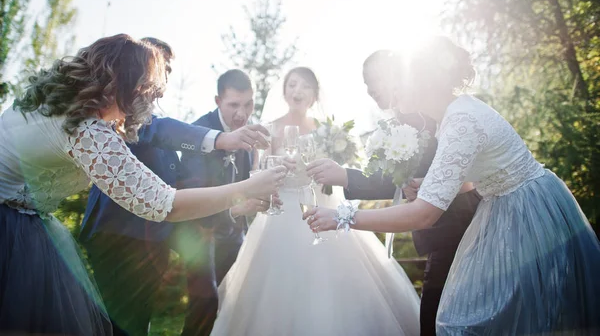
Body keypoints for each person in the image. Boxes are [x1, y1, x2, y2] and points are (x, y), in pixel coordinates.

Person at [305, 36, 600, 335]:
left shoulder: (460, 121)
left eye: (402, 81)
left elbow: (423, 215)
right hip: (506, 205)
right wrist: (430, 183)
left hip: (527, 215)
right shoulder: (453, 114)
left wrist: (342, 217)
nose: (395, 89)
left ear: (423, 83)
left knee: (484, 320)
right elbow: (478, 174)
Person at [0, 34, 285, 335]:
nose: (150, 101)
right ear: (124, 83)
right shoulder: (85, 129)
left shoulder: (58, 102)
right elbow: (163, 203)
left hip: (26, 222)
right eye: (147, 90)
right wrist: (248, 188)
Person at [80, 39, 271, 336]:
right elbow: (159, 131)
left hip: (155, 233)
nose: (163, 76)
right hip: (121, 229)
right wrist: (221, 141)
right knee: (126, 322)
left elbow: (174, 176)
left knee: (137, 320)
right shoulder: (128, 110)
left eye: (166, 68)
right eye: (158, 67)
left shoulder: (158, 117)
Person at [211, 67, 420, 336]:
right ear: (284, 90)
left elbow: (342, 173)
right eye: (293, 84)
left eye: (306, 86)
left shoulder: (328, 131)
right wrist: (275, 169)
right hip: (283, 215)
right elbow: (259, 174)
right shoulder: (270, 128)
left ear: (315, 95)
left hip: (325, 208)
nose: (298, 91)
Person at [307, 50, 481, 335]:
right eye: (365, 83)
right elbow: (398, 178)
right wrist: (345, 175)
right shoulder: (401, 120)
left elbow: (453, 170)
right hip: (440, 233)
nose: (369, 89)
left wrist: (344, 178)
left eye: (373, 80)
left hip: (458, 227)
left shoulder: (429, 115)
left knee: (437, 323)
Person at [177, 68, 264, 335]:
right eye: (233, 105)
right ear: (218, 101)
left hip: (233, 231)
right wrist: (236, 209)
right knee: (206, 302)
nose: (242, 113)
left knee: (237, 298)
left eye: (248, 104)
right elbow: (193, 194)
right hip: (199, 233)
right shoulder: (199, 131)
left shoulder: (249, 134)